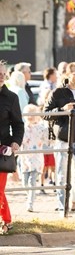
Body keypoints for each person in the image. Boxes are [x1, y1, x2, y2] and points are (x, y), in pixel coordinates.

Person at [43, 62, 75, 212]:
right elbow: (45, 114)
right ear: (68, 75)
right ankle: (63, 207)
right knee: (62, 175)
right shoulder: (58, 92)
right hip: (63, 139)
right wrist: (62, 109)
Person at [0, 60, 24, 233]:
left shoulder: (11, 97)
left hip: (2, 150)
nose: (1, 77)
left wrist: (16, 141)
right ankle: (6, 220)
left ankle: (5, 221)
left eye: (3, 74)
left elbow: (18, 124)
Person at [20, 104, 46, 213]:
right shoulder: (23, 127)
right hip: (25, 158)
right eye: (28, 114)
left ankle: (30, 203)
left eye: (33, 114)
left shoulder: (41, 128)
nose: (30, 117)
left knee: (32, 182)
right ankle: (30, 195)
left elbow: (46, 139)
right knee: (25, 182)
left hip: (36, 157)